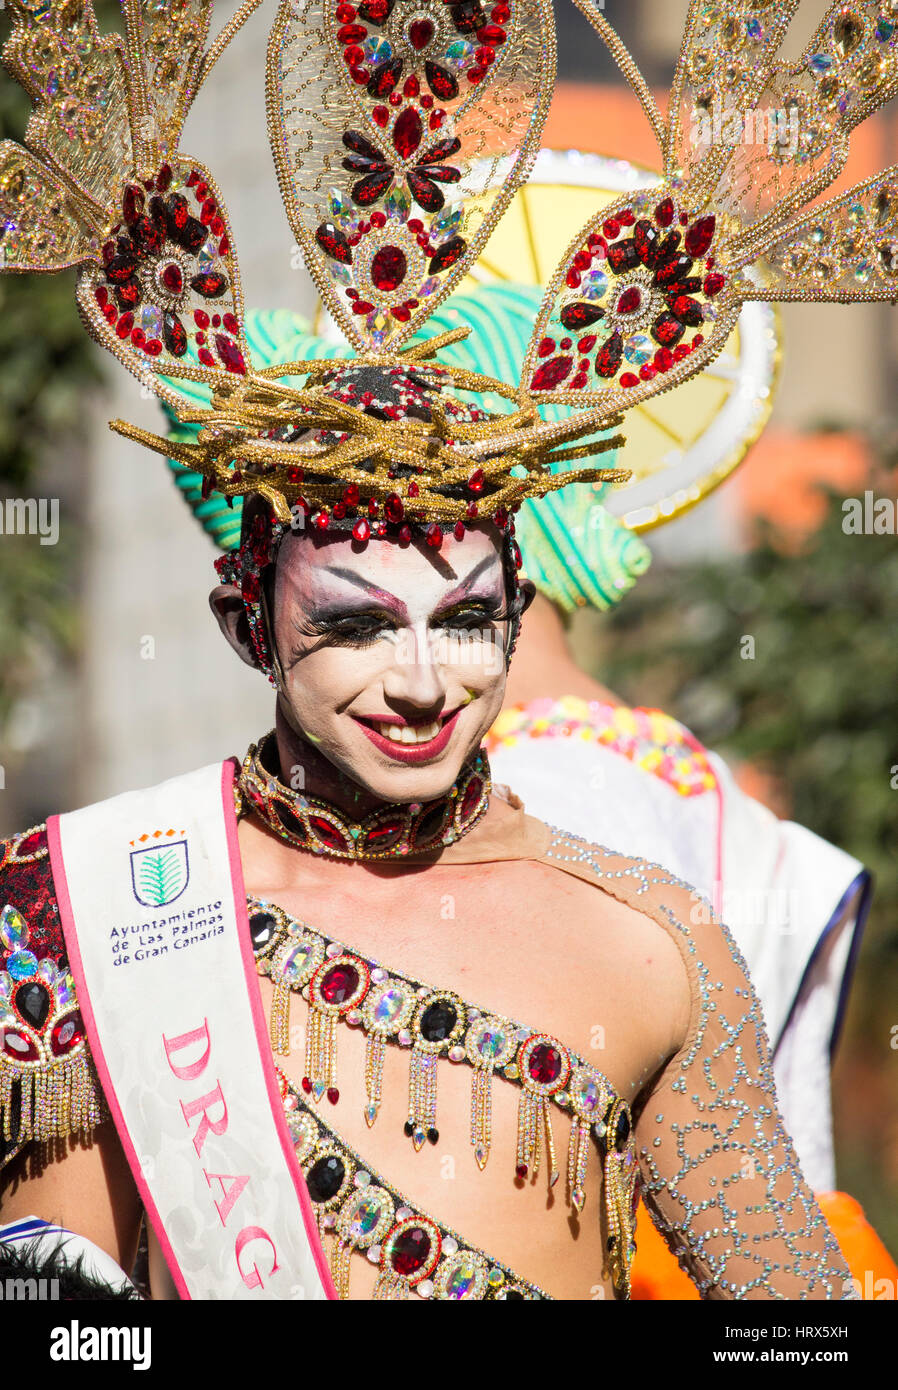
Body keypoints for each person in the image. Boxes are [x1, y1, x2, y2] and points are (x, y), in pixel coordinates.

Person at [1, 0, 894, 1301]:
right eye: (354, 621)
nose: (422, 681)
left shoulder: (650, 942)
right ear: (244, 617)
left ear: (519, 610)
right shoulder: (87, 904)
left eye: (466, 617)